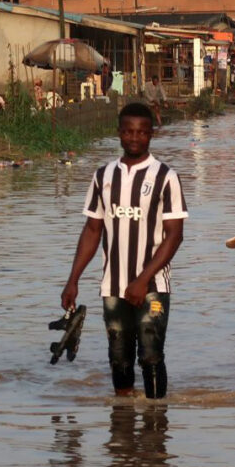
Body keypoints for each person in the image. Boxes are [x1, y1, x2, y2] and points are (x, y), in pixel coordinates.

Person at [61, 103, 188, 399]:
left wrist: (143, 280)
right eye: (128, 132)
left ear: (151, 135)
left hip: (153, 286)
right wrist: (73, 279)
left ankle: (157, 428)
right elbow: (92, 230)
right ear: (119, 133)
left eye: (142, 132)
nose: (135, 138)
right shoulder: (103, 176)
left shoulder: (166, 177)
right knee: (118, 357)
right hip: (113, 287)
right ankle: (123, 427)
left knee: (151, 355)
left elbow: (175, 236)